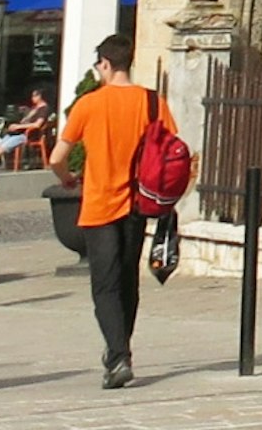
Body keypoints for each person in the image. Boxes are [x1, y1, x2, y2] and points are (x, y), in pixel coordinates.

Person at [52, 34, 177, 390]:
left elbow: (57, 157)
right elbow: (173, 151)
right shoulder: (153, 102)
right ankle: (119, 351)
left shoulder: (89, 104)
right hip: (139, 204)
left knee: (104, 286)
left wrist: (67, 179)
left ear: (105, 64)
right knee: (127, 282)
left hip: (100, 204)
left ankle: (118, 354)